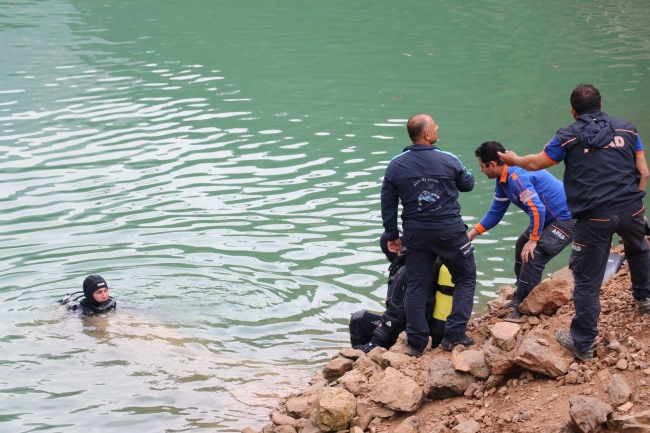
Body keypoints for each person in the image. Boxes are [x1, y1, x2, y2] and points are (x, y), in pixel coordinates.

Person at [499, 84, 650, 361]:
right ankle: (645, 299)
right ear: (601, 106)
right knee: (638, 248)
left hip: (594, 216)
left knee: (587, 278)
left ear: (573, 111)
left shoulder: (567, 137)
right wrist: (636, 201)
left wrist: (514, 159)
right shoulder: (628, 129)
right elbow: (644, 171)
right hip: (632, 208)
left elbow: (535, 163)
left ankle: (582, 342)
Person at [380, 113, 476, 356]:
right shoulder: (448, 159)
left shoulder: (395, 165)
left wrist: (392, 236)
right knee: (464, 278)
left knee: (416, 287)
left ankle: (416, 344)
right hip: (450, 232)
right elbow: (468, 184)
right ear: (427, 134)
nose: (438, 127)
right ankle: (454, 335)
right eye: (435, 125)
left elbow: (388, 205)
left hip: (416, 235)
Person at [468, 141, 576, 322]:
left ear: (493, 164)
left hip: (566, 219)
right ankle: (522, 293)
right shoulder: (502, 181)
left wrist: (534, 240)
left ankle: (523, 310)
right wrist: (471, 235)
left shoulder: (517, 176)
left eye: (482, 166)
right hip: (548, 219)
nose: (481, 170)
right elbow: (496, 212)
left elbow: (537, 209)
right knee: (521, 244)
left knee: (534, 254)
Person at [349, 233, 455, 352]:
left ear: (392, 251)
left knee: (358, 319)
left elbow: (395, 313)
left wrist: (374, 342)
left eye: (385, 253)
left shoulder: (406, 270)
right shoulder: (426, 263)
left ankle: (359, 358)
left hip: (407, 334)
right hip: (433, 331)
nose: (386, 257)